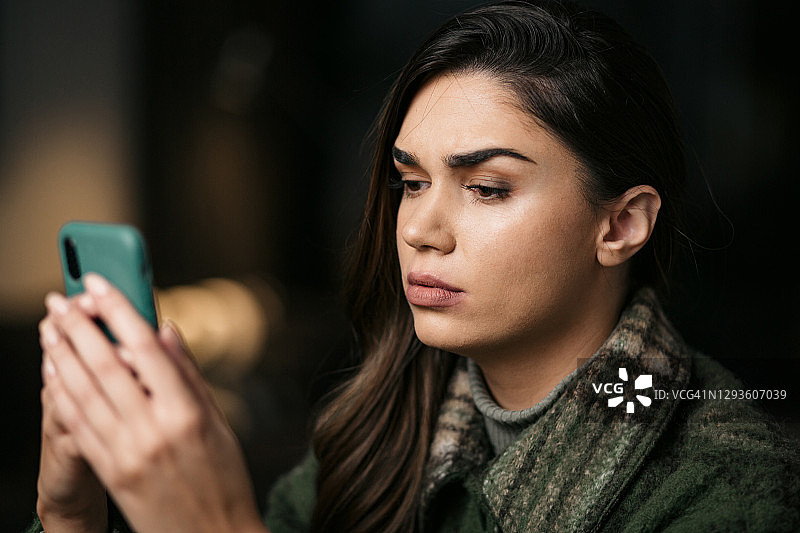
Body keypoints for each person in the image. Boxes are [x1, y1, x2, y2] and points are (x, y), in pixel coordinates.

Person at [28, 1, 799, 532]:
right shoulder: (378, 430)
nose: (421, 230)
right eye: (411, 182)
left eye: (487, 188)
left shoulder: (731, 488)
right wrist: (69, 512)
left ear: (621, 224)